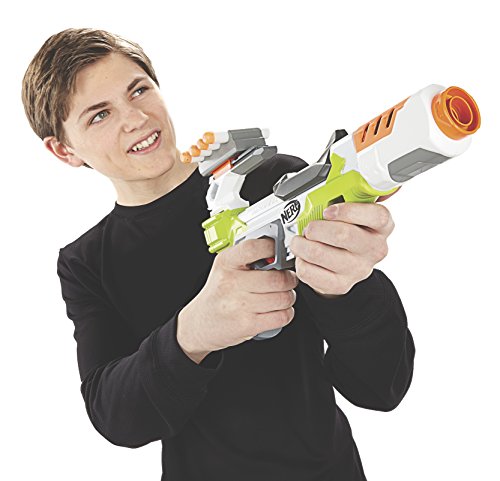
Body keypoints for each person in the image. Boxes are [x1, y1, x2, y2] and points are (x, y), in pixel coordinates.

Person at [22, 28, 415, 481]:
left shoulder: (270, 180)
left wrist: (347, 289)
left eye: (139, 90)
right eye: (100, 115)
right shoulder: (85, 263)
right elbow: (117, 417)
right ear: (63, 149)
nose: (136, 118)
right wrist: (192, 333)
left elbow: (382, 386)